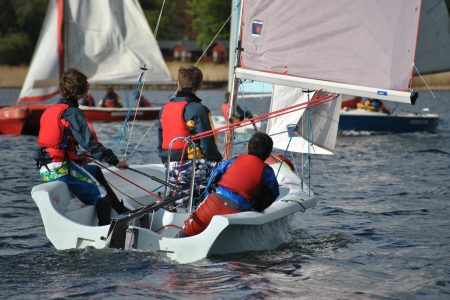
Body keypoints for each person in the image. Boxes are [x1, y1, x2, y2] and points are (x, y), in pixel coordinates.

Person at [36, 68, 130, 226]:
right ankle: (105, 233)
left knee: (95, 170)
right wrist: (114, 161)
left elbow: (55, 145)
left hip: (48, 167)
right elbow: (90, 144)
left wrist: (77, 157)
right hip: (60, 169)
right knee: (102, 194)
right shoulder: (72, 113)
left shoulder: (52, 110)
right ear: (82, 91)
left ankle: (120, 210)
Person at [178, 132, 280, 237]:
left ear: (248, 148)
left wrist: (207, 197)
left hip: (214, 202)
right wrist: (257, 207)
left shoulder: (233, 161)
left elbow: (214, 178)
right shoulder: (267, 172)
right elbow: (274, 193)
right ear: (268, 154)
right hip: (238, 210)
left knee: (183, 234)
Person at [157, 66, 222, 204]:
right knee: (227, 171)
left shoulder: (164, 109)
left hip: (170, 167)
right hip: (190, 167)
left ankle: (189, 200)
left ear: (178, 84)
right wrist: (219, 160)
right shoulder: (199, 109)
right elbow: (208, 147)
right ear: (200, 85)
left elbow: (160, 141)